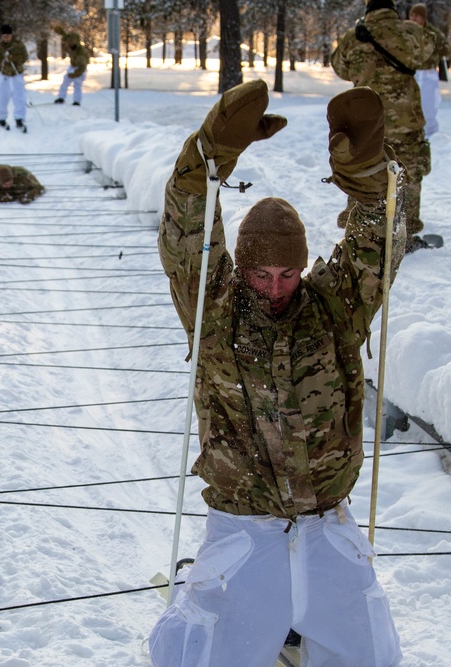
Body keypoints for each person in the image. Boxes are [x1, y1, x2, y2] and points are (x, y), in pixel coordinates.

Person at [147, 80, 404, 667]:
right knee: (203, 658)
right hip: (245, 530)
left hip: (324, 524)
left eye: (288, 273)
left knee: (372, 656)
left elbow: (379, 243)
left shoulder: (332, 308)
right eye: (261, 273)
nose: (275, 287)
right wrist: (209, 156)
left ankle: (295, 634)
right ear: (241, 264)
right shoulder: (214, 310)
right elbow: (185, 236)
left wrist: (367, 177)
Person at [331, 0, 440, 251]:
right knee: (409, 174)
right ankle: (405, 234)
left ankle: (360, 234)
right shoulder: (410, 32)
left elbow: (340, 68)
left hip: (364, 124)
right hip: (405, 122)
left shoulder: (352, 37)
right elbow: (433, 49)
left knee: (362, 173)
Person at [408, 3, 450, 137]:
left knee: (428, 105)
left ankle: (432, 134)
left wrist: (440, 50)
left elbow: (446, 49)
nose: (413, 18)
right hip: (412, 72)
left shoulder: (433, 33)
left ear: (423, 17)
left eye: (417, 16)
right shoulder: (407, 31)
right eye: (412, 15)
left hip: (428, 73)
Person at [0, 24, 29, 132]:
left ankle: (19, 118)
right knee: (2, 97)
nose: (6, 37)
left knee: (19, 96)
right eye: (4, 36)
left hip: (17, 73)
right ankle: (1, 118)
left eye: (8, 35)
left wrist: (13, 58)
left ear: (11, 35)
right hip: (4, 74)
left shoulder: (19, 44)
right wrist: (3, 64)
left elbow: (24, 57)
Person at [53, 29, 89, 106]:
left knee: (77, 83)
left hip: (80, 68)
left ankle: (77, 101)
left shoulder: (81, 52)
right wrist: (61, 31)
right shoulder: (72, 47)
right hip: (73, 66)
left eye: (72, 41)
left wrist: (75, 74)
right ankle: (61, 97)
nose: (70, 43)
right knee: (65, 81)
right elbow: (66, 37)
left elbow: (82, 67)